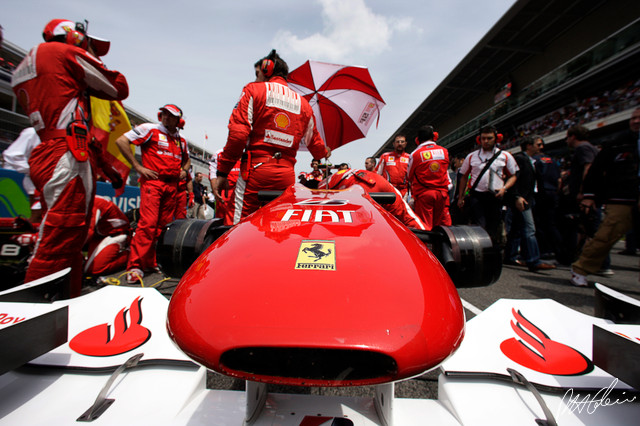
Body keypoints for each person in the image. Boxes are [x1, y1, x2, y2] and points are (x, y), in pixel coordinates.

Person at [11, 19, 129, 296]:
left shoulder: (25, 66)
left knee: (70, 238)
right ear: (72, 36)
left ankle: (67, 301)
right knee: (63, 234)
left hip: (50, 150)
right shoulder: (60, 53)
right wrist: (87, 59)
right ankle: (35, 309)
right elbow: (119, 86)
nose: (90, 49)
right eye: (86, 43)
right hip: (67, 152)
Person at [213, 49, 330, 224]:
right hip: (286, 175)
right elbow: (316, 146)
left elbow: (238, 136)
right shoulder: (304, 104)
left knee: (236, 227)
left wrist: (222, 171)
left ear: (267, 70)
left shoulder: (253, 90)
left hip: (256, 171)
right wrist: (324, 152)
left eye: (258, 73)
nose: (256, 78)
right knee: (279, 228)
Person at [116, 104, 190, 283]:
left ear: (177, 120)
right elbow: (121, 141)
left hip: (171, 186)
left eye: (170, 115)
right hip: (153, 184)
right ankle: (135, 265)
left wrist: (184, 171)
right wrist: (137, 166)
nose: (166, 117)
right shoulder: (149, 129)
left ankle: (151, 262)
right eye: (164, 114)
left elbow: (187, 162)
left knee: (163, 227)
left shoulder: (181, 140)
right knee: (147, 224)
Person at [569, 108, 640, 287]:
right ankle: (580, 269)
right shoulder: (617, 142)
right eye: (633, 118)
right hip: (622, 198)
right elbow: (595, 169)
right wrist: (589, 195)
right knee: (606, 235)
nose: (636, 121)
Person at [457, 126, 518, 246]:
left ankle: (492, 252)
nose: (486, 141)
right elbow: (464, 177)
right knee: (479, 226)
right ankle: (481, 250)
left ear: (496, 139)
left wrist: (504, 188)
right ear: (479, 139)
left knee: (494, 227)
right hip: (476, 196)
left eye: (489, 138)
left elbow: (513, 176)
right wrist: (460, 197)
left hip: (495, 196)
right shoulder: (471, 156)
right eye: (483, 138)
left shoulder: (505, 156)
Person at [504, 136, 556, 272]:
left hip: (529, 199)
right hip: (522, 200)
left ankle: (510, 256)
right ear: (528, 146)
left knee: (515, 229)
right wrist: (517, 196)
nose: (541, 147)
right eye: (538, 144)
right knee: (529, 230)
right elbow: (513, 177)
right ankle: (534, 260)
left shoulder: (533, 161)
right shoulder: (521, 159)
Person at [324, 168, 426, 230]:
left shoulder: (320, 188)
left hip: (361, 190)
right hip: (379, 181)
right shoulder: (333, 179)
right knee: (407, 217)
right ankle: (428, 238)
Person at [557, 125, 601, 264]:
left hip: (583, 196)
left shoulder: (583, 148)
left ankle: (584, 259)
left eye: (567, 137)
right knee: (585, 227)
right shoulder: (591, 148)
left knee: (580, 226)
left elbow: (587, 168)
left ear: (573, 136)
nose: (566, 141)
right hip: (588, 194)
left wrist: (583, 192)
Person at [406, 125, 452, 230]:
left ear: (417, 140)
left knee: (425, 226)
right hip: (442, 194)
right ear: (435, 137)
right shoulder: (444, 151)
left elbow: (409, 175)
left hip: (424, 195)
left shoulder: (415, 154)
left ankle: (426, 247)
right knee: (442, 227)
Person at [83, 196, 131, 277]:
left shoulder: (94, 203)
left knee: (94, 269)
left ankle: (130, 253)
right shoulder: (85, 200)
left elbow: (88, 234)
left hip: (115, 235)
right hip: (99, 235)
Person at [532, 136, 563, 260]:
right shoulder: (553, 160)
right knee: (551, 224)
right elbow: (559, 180)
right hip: (553, 194)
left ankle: (543, 250)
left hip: (540, 194)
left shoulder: (534, 160)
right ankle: (558, 251)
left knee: (538, 224)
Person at [209, 149, 240, 226]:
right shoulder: (218, 154)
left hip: (239, 195)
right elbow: (212, 175)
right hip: (223, 196)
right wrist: (215, 191)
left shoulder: (245, 153)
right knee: (220, 224)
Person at [376, 134, 410, 198]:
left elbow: (412, 177)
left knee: (402, 208)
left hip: (403, 191)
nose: (400, 144)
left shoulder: (409, 157)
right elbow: (378, 174)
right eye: (397, 142)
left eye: (402, 142)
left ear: (405, 144)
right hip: (388, 190)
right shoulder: (385, 156)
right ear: (393, 144)